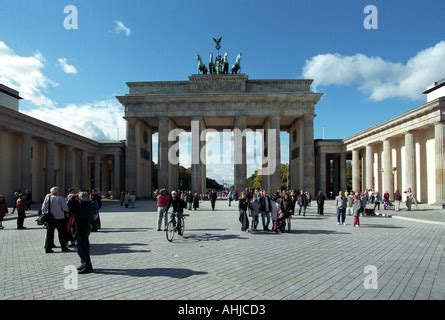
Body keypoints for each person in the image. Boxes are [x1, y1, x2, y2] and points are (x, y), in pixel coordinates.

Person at [41, 187, 69, 253]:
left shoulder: (47, 198)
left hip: (50, 218)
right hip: (59, 218)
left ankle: (48, 248)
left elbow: (43, 208)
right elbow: (65, 208)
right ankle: (63, 247)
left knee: (49, 233)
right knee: (61, 233)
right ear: (57, 192)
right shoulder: (61, 198)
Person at [73, 192, 94, 274]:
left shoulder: (81, 206)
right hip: (86, 228)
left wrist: (74, 196)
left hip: (81, 229)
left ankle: (88, 266)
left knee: (82, 249)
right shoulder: (89, 204)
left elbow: (69, 204)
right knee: (84, 247)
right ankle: (85, 264)